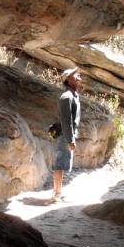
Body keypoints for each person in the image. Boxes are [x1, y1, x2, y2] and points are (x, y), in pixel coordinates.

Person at [50, 67, 82, 203]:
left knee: (62, 165)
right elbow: (66, 121)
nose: (79, 77)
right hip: (65, 135)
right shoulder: (66, 97)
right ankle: (56, 195)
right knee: (59, 165)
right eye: (76, 75)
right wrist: (70, 139)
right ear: (68, 79)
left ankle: (58, 193)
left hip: (67, 135)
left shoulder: (73, 95)